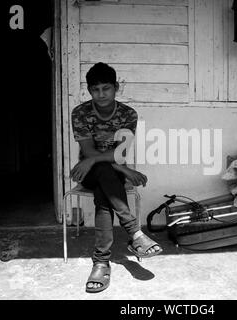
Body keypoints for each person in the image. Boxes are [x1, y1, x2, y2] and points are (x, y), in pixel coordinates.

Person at [70, 62, 163, 293]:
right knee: (103, 172)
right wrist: (125, 170)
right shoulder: (80, 113)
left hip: (108, 175)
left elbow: (119, 152)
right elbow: (90, 153)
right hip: (88, 172)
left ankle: (101, 262)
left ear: (116, 88)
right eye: (95, 90)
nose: (101, 94)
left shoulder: (127, 114)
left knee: (104, 197)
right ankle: (134, 233)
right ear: (89, 90)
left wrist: (109, 164)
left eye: (106, 88)